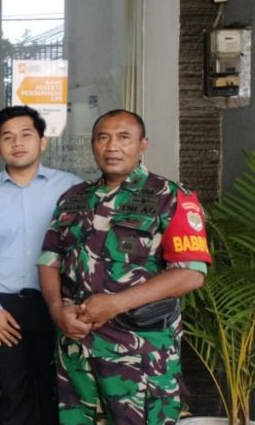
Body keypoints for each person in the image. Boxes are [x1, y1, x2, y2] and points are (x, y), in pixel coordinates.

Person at [37, 109, 212, 424]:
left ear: (143, 144)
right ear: (93, 145)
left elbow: (190, 273)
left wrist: (116, 303)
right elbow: (50, 259)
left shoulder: (171, 197)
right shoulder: (73, 199)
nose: (112, 147)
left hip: (140, 356)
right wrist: (55, 308)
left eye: (123, 137)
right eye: (103, 138)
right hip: (77, 351)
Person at [0, 106, 82, 425]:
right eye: (7, 137)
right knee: (14, 394)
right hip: (3, 308)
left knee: (60, 393)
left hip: (58, 304)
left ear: (42, 141)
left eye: (26, 134)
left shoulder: (71, 188)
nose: (17, 143)